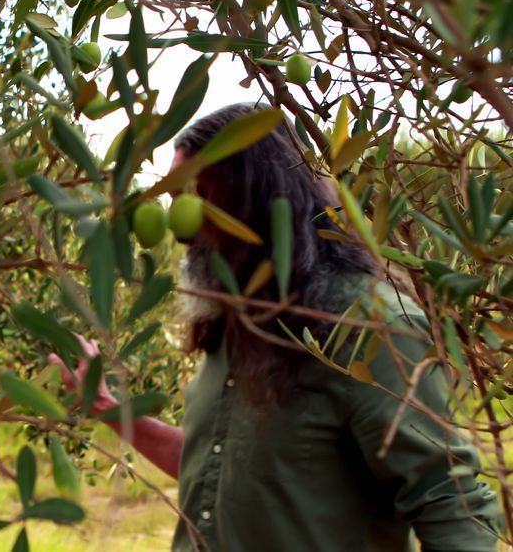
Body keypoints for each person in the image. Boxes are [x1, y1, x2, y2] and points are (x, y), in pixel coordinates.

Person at [51, 103, 504, 551]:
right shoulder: (239, 325)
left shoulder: (365, 325)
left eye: (190, 195)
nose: (180, 231)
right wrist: (107, 406)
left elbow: (451, 505)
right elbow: (214, 471)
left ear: (250, 194)